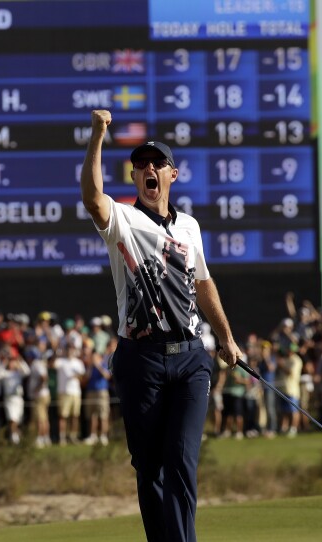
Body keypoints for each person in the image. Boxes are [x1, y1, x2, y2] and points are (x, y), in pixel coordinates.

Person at [80, 110, 242, 542]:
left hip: (191, 357)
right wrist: (98, 135)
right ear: (134, 177)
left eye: (157, 164)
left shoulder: (189, 226)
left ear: (172, 173)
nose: (149, 169)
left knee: (182, 459)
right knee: (148, 467)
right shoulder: (122, 220)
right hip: (140, 360)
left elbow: (202, 281)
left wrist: (225, 336)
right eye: (141, 165)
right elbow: (93, 197)